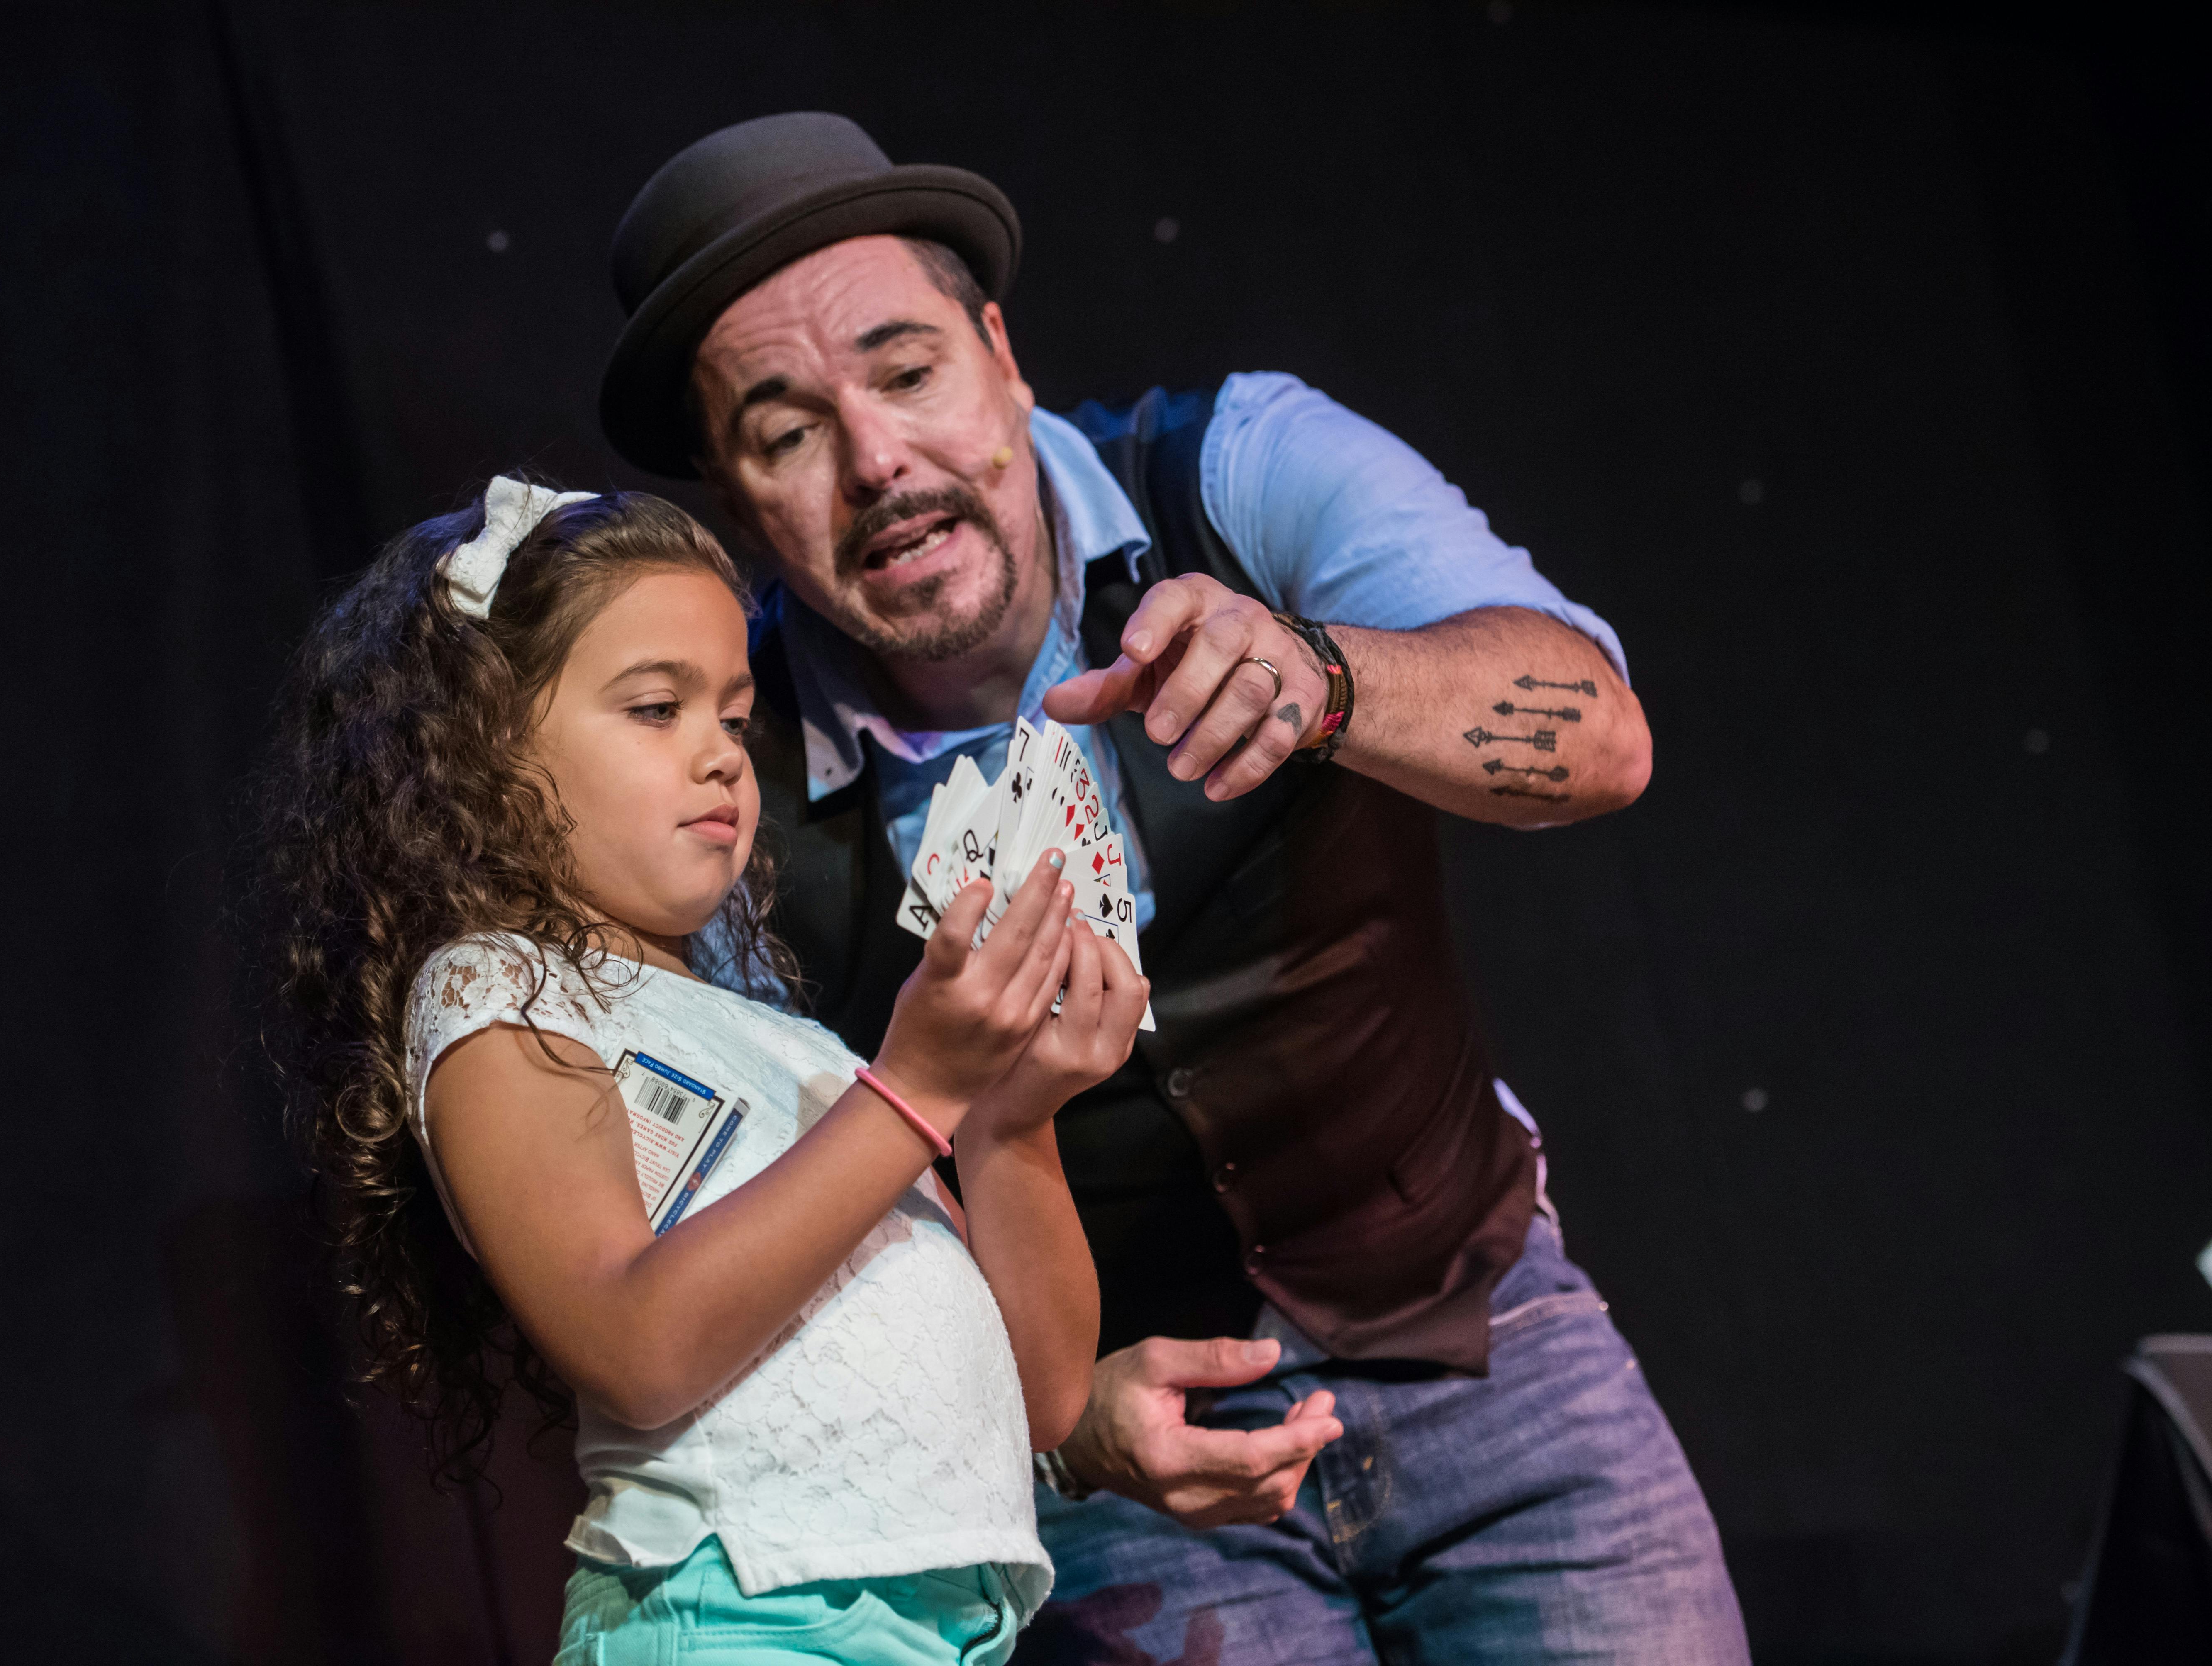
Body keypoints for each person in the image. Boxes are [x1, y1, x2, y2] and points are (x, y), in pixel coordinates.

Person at [590, 113, 1750, 1661]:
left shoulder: (1240, 467)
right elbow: (758, 1265)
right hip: (1117, 1472)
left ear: (1002, 357)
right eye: (788, 433)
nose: (877, 462)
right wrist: (1063, 1433)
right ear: (736, 504)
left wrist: (1327, 680)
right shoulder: (722, 771)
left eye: (908, 372)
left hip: (1481, 1333)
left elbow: (1600, 740)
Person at [257, 481, 1151, 1664]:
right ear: (482, 748)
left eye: (734, 717)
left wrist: (1010, 1121)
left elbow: (1038, 1399)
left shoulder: (802, 1051)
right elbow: (639, 1346)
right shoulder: (498, 991)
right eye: (656, 708)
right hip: (740, 1618)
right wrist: (919, 1089)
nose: (723, 756)